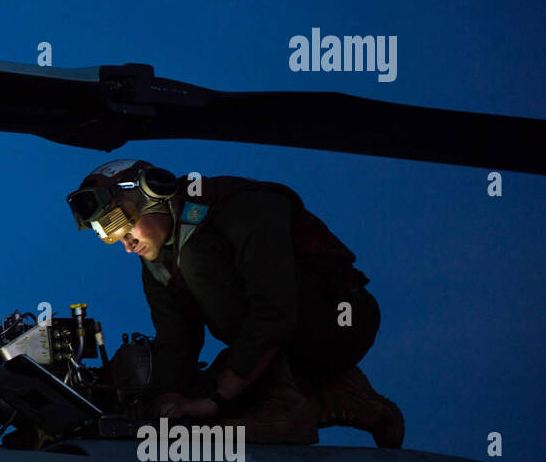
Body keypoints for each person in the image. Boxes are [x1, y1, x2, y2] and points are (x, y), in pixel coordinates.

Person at [66, 158, 404, 446]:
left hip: (340, 320)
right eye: (111, 238)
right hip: (277, 345)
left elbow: (273, 309)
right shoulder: (157, 262)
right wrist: (167, 399)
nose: (127, 245)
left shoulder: (239, 207)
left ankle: (288, 405)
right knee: (194, 410)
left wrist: (217, 398)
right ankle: (343, 396)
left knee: (198, 261)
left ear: (154, 193)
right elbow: (176, 338)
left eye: (123, 228)